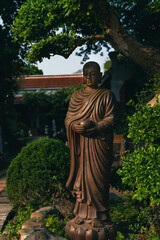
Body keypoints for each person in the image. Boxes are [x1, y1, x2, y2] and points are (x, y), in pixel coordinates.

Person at [65, 61, 116, 227]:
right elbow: (69, 118)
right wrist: (73, 126)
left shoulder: (106, 95)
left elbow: (111, 119)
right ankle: (81, 213)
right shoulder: (76, 96)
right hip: (81, 145)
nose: (88, 77)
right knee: (82, 179)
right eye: (85, 74)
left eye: (92, 74)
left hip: (98, 145)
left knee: (97, 182)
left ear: (100, 76)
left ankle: (99, 216)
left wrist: (96, 127)